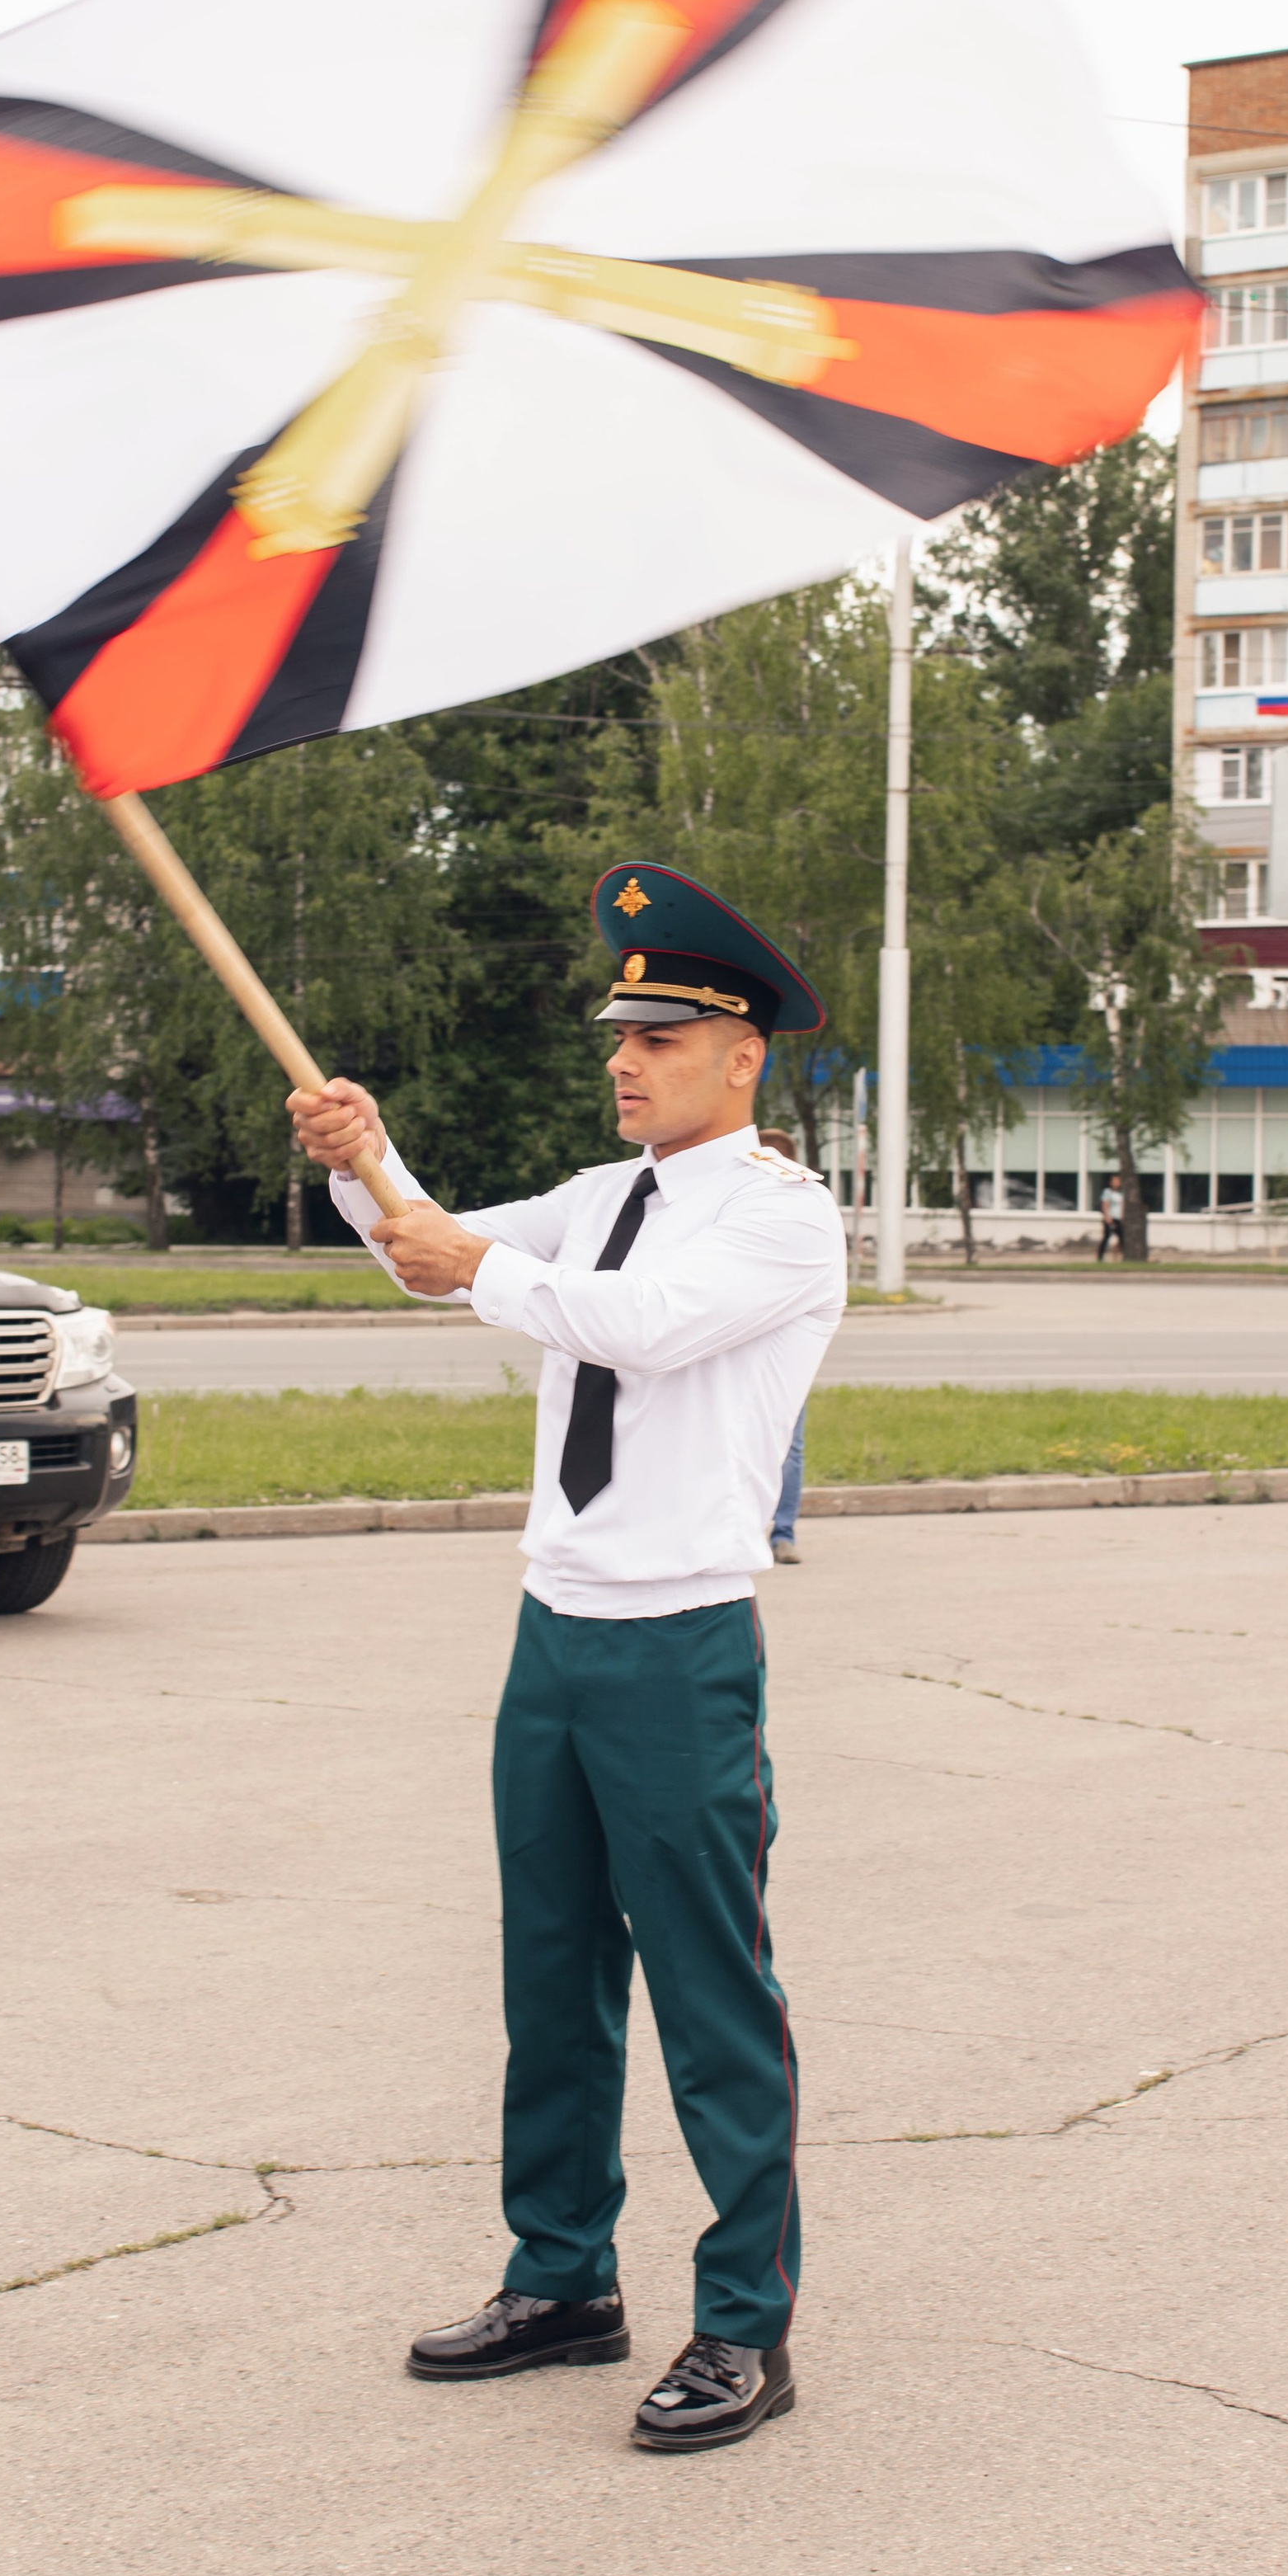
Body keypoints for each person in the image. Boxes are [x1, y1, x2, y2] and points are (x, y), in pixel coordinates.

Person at [289, 864, 844, 2456]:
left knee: (710, 1989)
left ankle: (745, 2323)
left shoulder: (781, 1220)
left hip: (678, 1644)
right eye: (621, 1030)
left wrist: (479, 1273)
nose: (626, 1056)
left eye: (660, 1033)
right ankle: (564, 2281)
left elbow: (641, 1326)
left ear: (740, 1055)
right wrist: (366, 1159)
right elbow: (435, 1246)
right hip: (557, 1628)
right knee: (553, 1974)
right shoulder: (598, 1199)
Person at [758, 1124, 811, 1563]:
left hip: (780, 1345)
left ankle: (782, 1532)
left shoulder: (795, 1212)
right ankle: (781, 1534)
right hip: (778, 1346)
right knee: (786, 1442)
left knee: (786, 1442)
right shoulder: (806, 1208)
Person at [1096, 1176, 1126, 1264]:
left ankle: (1118, 1257)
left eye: (1118, 1182)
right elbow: (1105, 1204)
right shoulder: (1107, 1192)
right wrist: (1107, 1216)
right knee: (1106, 1237)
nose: (1116, 1183)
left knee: (1122, 1238)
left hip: (1118, 1218)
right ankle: (1100, 1257)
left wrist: (1123, 1217)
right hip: (1110, 1218)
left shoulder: (1121, 1194)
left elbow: (1122, 1206)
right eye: (1114, 1182)